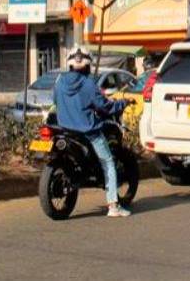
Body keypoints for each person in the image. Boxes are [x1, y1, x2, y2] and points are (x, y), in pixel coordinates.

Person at [53, 47, 132, 218]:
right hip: (88, 131)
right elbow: (105, 107)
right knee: (108, 162)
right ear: (88, 66)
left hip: (65, 129)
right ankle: (113, 206)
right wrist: (122, 103)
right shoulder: (89, 84)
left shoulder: (59, 81)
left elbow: (55, 101)